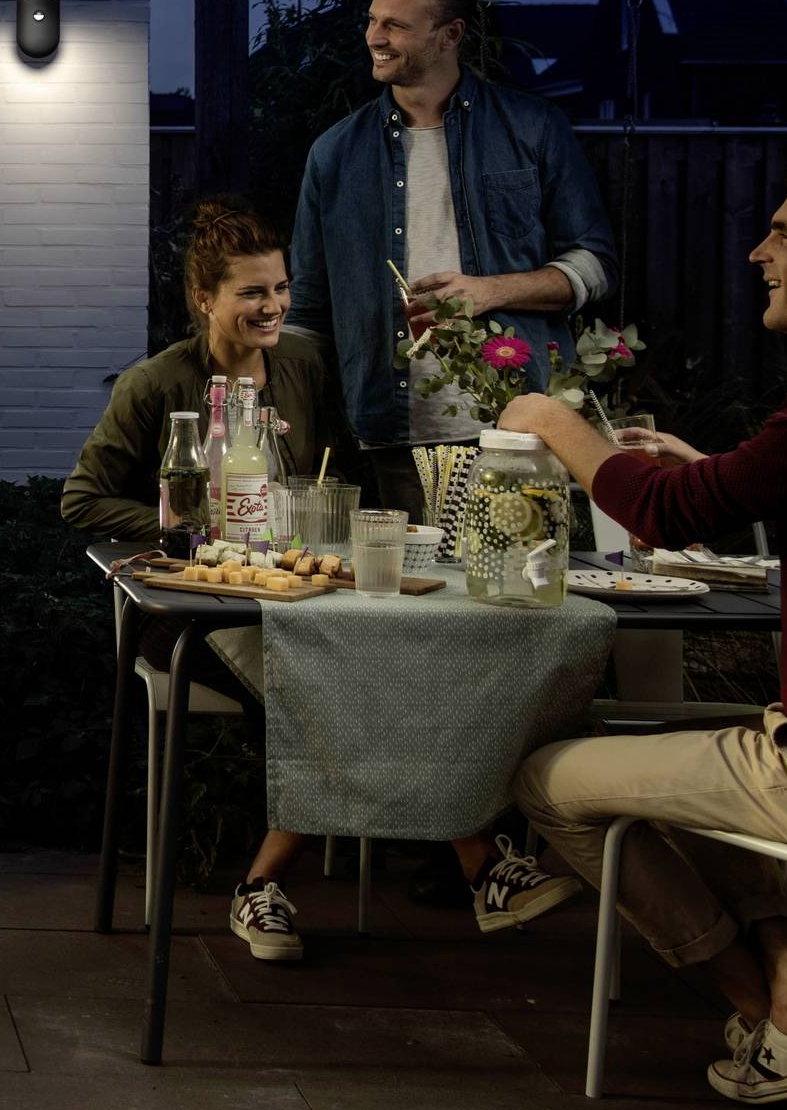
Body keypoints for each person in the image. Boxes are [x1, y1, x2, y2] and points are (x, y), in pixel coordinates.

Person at [499, 147, 787, 1103]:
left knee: (547, 778)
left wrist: (554, 421)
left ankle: (769, 1016)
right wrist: (704, 465)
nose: (759, 252)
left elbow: (670, 516)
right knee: (701, 774)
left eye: (785, 232)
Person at [65, 198, 581, 961]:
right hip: (197, 605)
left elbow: (334, 474)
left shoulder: (304, 363)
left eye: (279, 288)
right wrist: (191, 528)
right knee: (350, 687)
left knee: (383, 668)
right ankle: (477, 862)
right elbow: (82, 501)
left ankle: (266, 886)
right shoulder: (156, 385)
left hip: (304, 593)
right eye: (251, 292)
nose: (272, 306)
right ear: (204, 298)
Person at [283, 0, 617, 513]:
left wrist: (490, 290)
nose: (375, 36)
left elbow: (595, 265)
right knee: (410, 597)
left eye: (396, 24)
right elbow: (309, 309)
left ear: (450, 34)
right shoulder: (335, 153)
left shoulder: (532, 129)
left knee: (515, 592)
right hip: (389, 433)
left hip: (517, 428)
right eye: (372, 19)